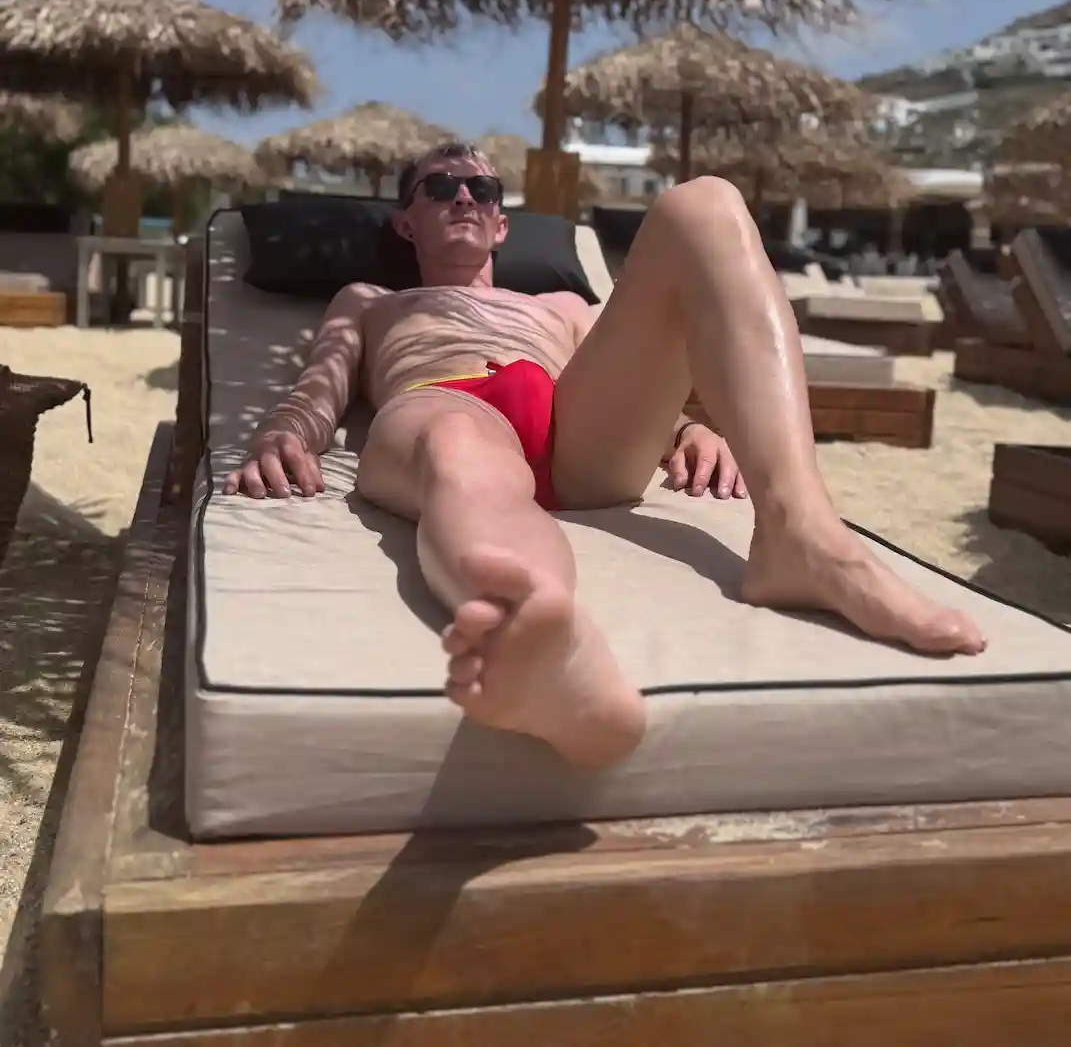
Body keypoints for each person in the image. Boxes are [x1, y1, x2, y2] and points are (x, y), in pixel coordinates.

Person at [225, 142, 985, 770]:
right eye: (441, 187)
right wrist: (285, 433)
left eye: (482, 189)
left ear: (501, 225)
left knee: (705, 202)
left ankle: (801, 535)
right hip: (443, 398)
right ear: (404, 220)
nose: (464, 198)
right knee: (461, 453)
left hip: (572, 424)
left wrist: (688, 431)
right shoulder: (370, 299)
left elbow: (638, 383)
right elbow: (320, 381)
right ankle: (546, 643)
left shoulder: (564, 307)